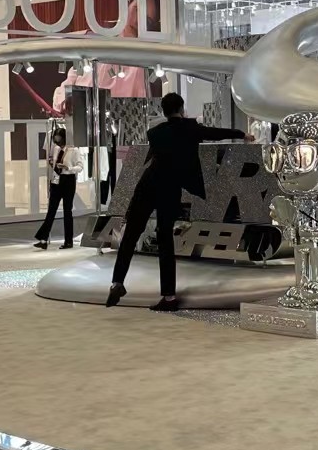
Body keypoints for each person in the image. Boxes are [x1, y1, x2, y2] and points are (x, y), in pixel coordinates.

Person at [107, 93, 251, 311]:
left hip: (148, 185)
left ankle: (117, 282)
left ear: (164, 111)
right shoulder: (191, 128)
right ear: (182, 109)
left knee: (131, 234)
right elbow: (216, 133)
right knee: (165, 239)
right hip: (169, 188)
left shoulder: (155, 133)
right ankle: (169, 297)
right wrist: (242, 134)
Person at [34, 127, 82, 249]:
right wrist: (53, 164)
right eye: (55, 137)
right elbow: (54, 162)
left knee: (67, 211)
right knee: (51, 210)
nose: (56, 139)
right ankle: (43, 239)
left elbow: (80, 166)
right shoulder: (55, 149)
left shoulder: (74, 150)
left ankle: (68, 241)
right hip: (56, 180)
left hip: (68, 180)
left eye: (58, 137)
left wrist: (68, 168)